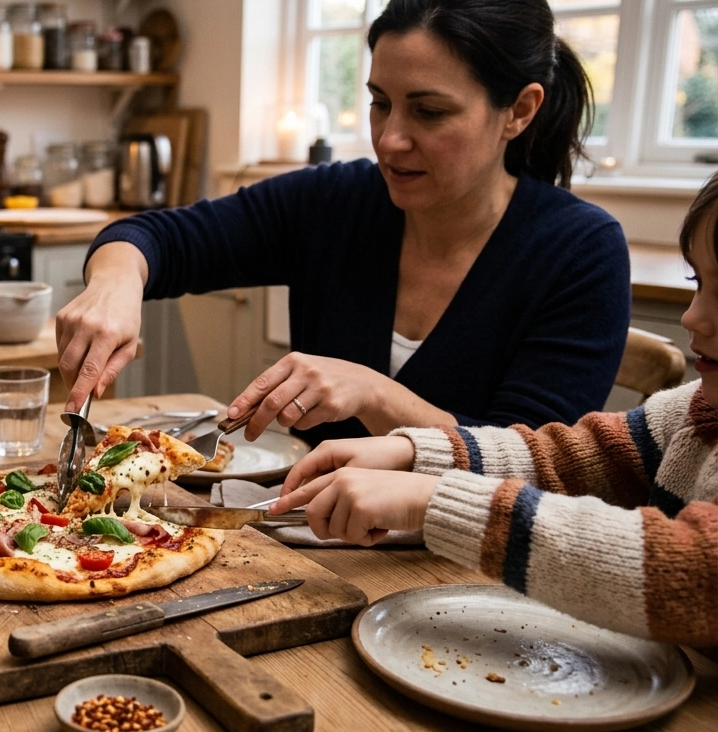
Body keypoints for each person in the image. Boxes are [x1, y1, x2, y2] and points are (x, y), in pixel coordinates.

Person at [56, 0, 630, 446]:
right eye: (380, 102)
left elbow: (531, 466)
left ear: (519, 111)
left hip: (455, 558)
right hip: (309, 540)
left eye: (429, 111)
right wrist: (115, 283)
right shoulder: (335, 199)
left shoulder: (579, 251)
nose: (390, 139)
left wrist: (376, 396)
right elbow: (158, 238)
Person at [266, 173, 718, 647]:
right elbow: (565, 459)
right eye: (699, 283)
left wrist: (436, 500)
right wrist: (416, 454)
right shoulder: (694, 411)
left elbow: (695, 572)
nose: (691, 315)